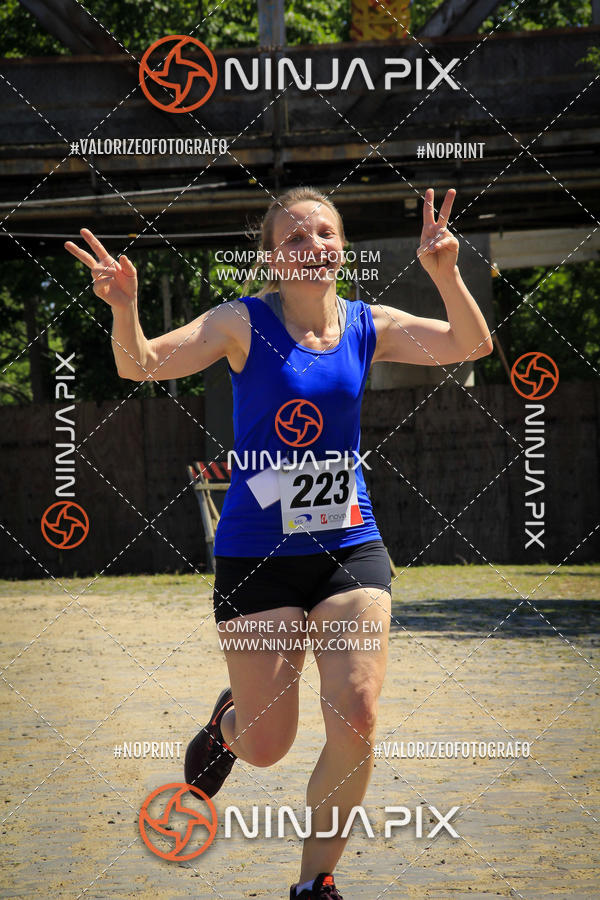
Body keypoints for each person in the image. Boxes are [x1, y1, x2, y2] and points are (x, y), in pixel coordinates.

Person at [65, 186, 493, 899]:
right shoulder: (241, 323)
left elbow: (471, 344)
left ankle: (314, 884)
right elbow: (139, 364)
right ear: (270, 257)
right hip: (256, 552)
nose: (313, 246)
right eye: (295, 238)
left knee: (356, 713)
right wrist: (123, 306)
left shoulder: (367, 323)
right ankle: (226, 723)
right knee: (267, 745)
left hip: (349, 547)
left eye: (325, 233)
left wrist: (446, 271)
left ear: (342, 249)